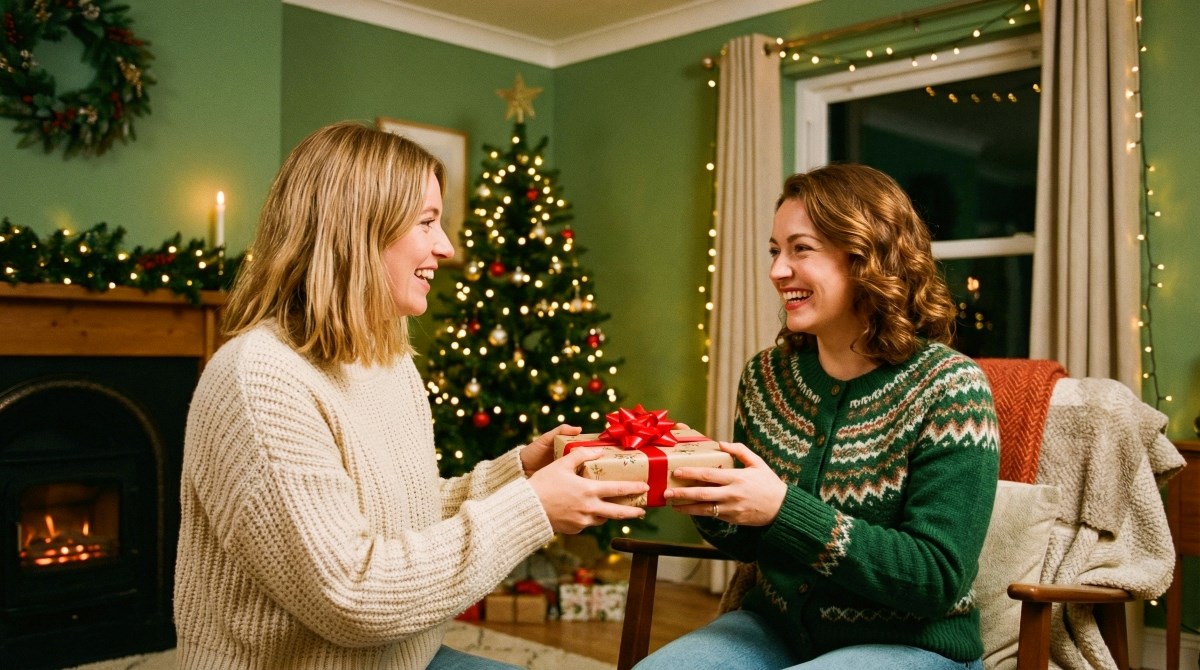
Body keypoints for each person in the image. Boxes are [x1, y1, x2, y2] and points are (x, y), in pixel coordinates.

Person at [173, 121, 648, 669]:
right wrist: (532, 508)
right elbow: (353, 597)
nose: (447, 247)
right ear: (356, 230)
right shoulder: (259, 380)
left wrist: (519, 473)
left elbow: (404, 516)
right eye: (427, 222)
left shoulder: (384, 355)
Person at [638, 163, 1000, 670]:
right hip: (775, 629)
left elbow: (936, 578)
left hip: (911, 644)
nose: (777, 271)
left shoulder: (950, 388)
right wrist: (705, 488)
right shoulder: (767, 376)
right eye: (775, 251)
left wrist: (783, 508)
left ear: (865, 256)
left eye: (800, 249)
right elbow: (751, 543)